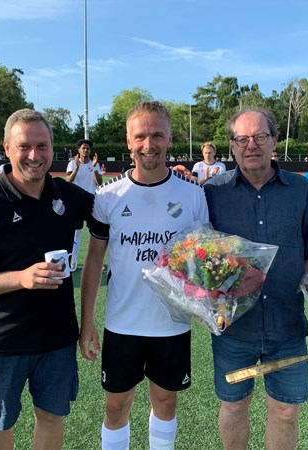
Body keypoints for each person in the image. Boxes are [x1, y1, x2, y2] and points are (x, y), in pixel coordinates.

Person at [0, 109, 95, 450]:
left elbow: (115, 207)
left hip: (58, 336)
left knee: (52, 418)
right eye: (24, 146)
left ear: (52, 148)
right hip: (5, 339)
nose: (34, 155)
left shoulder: (66, 195)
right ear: (7, 148)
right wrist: (21, 278)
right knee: (0, 422)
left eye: (42, 146)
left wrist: (170, 176)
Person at [80, 101, 209, 450]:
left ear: (170, 139)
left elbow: (204, 259)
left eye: (157, 135)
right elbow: (93, 260)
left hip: (172, 324)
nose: (148, 144)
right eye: (140, 136)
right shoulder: (107, 196)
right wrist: (87, 321)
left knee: (165, 403)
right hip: (122, 323)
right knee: (115, 406)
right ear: (128, 141)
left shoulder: (193, 194)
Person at [203, 108, 308, 450]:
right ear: (232, 145)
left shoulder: (300, 189)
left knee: (286, 412)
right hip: (234, 329)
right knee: (234, 406)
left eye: (260, 136)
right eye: (242, 138)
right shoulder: (212, 191)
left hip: (287, 325)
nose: (251, 145)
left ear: (274, 141)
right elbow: (197, 257)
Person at [66, 139, 103, 265]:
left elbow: (99, 182)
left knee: (95, 233)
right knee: (76, 233)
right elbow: (68, 181)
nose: (86, 150)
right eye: (83, 148)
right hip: (76, 202)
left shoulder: (94, 164)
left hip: (91, 201)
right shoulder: (72, 164)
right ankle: (74, 261)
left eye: (88, 148)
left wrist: (94, 167)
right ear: (79, 150)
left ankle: (96, 262)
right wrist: (76, 168)